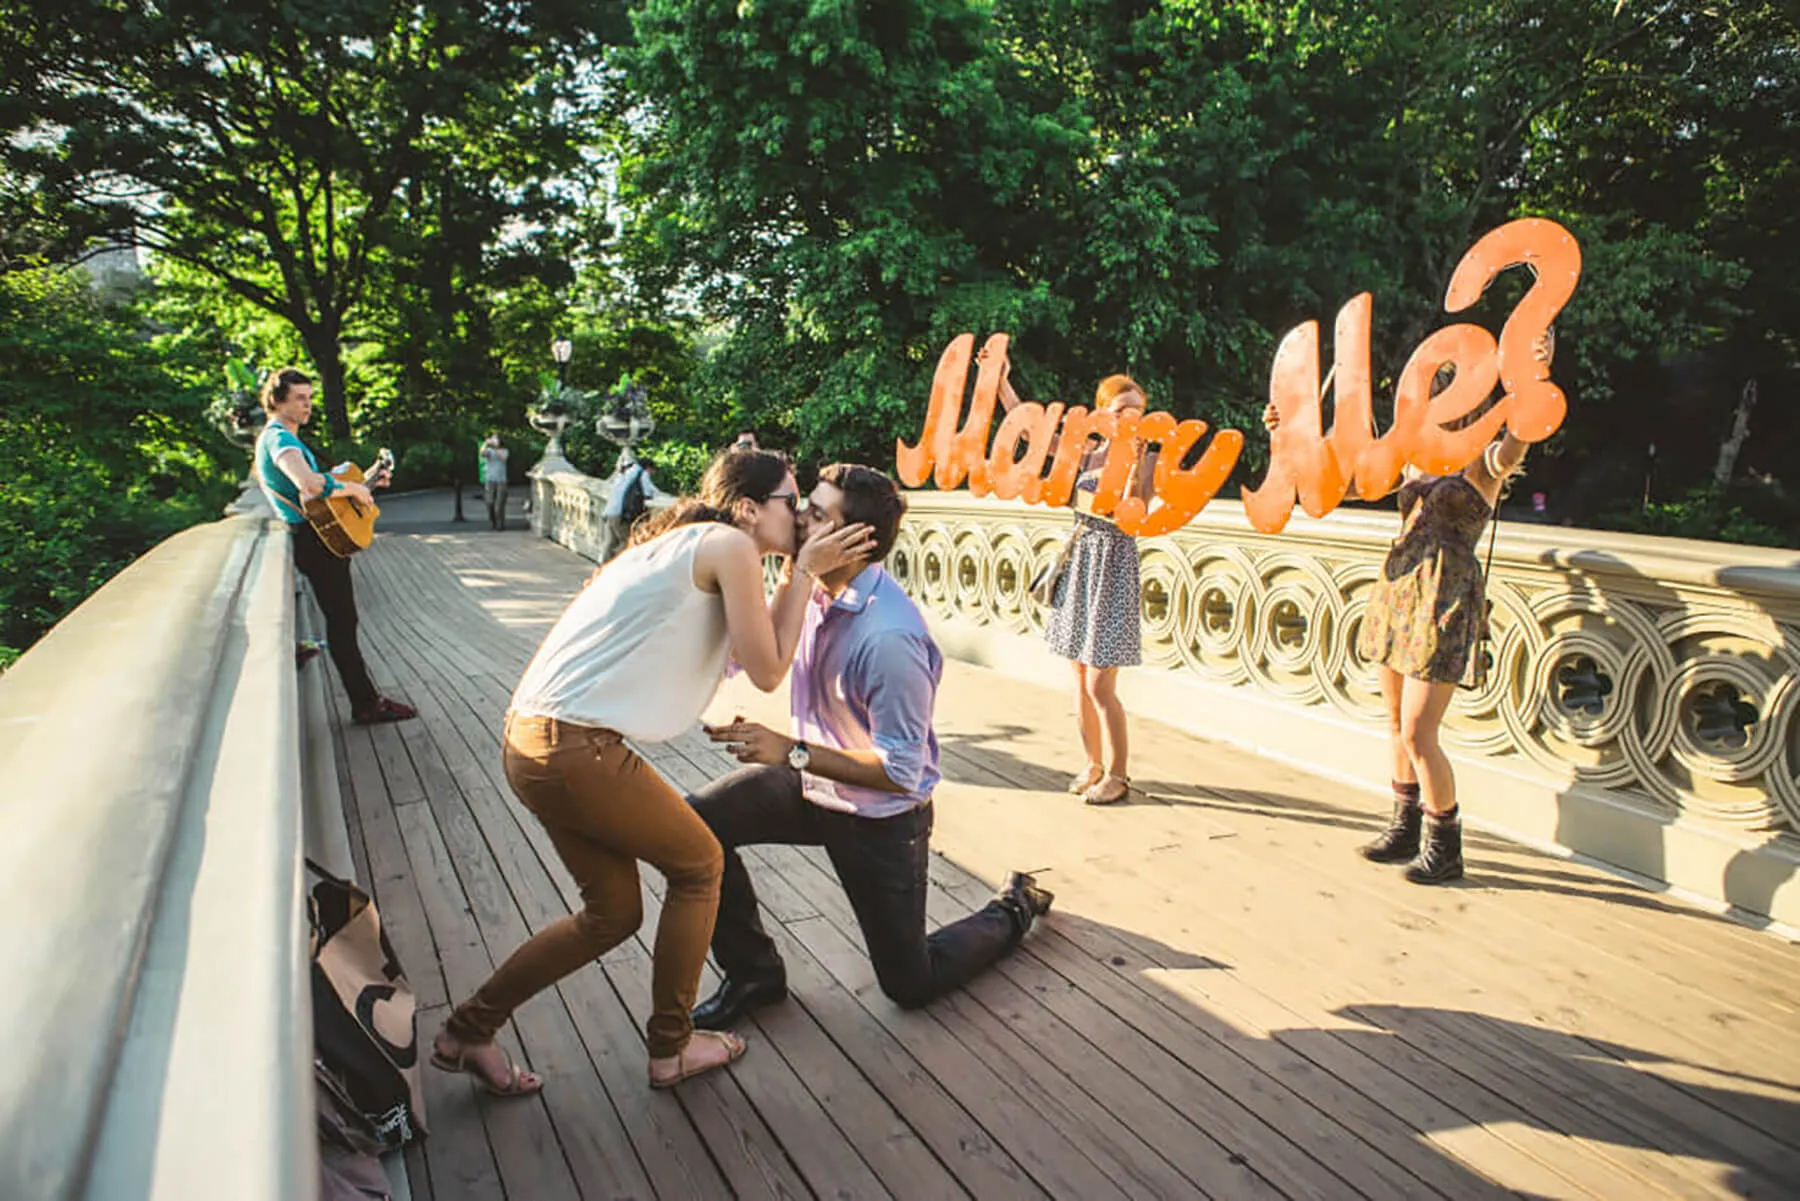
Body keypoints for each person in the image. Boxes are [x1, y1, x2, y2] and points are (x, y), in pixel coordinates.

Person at [431, 449, 875, 1094]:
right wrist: (803, 570)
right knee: (700, 863)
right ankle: (671, 1047)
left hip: (534, 741)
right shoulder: (729, 545)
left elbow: (763, 651)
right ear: (750, 509)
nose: (801, 513)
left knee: (611, 914)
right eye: (791, 500)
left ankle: (468, 1030)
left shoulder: (679, 545)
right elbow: (771, 670)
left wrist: (795, 572)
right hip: (575, 748)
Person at [687, 463, 1055, 1031]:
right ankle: (754, 973)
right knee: (697, 827)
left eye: (816, 512)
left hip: (878, 815)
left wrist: (790, 751)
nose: (797, 516)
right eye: (801, 503)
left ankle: (1013, 908)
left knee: (911, 983)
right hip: (813, 785)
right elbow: (745, 650)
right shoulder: (808, 588)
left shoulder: (889, 638)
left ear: (856, 541)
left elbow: (902, 772)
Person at [1261, 343, 1540, 885]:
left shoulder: (1484, 464)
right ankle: (1404, 827)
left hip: (1446, 596)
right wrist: (1286, 428)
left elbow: (1520, 438)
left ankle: (1445, 843)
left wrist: (1532, 372)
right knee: (1395, 725)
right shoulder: (1411, 457)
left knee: (1418, 730)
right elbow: (1334, 480)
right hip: (1398, 590)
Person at [254, 368, 416, 726]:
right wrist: (353, 489)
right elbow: (310, 485)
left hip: (317, 536)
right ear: (277, 401)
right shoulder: (280, 439)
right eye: (299, 398)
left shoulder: (288, 437)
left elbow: (327, 500)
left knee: (344, 619)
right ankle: (366, 703)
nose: (307, 405)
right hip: (313, 542)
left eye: (309, 397)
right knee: (342, 621)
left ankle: (365, 699)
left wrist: (367, 483)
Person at [1042, 374, 1156, 806]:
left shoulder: (1147, 459)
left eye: (1138, 412)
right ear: (1103, 413)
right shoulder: (1086, 452)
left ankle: (1119, 773)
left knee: (1099, 685)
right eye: (1121, 410)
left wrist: (1131, 468)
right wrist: (1001, 382)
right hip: (1080, 559)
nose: (1130, 419)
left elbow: (1135, 515)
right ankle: (1092, 762)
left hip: (1113, 564)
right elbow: (1034, 438)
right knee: (1077, 674)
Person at [596, 448, 662, 563]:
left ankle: (604, 565)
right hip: (621, 513)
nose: (652, 473)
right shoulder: (642, 473)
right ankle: (619, 564)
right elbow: (648, 491)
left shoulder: (625, 473)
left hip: (609, 511)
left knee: (610, 542)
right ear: (648, 468)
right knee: (626, 540)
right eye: (652, 470)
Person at [479, 434, 510, 530]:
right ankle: (493, 521)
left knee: (500, 503)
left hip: (501, 480)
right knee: (489, 501)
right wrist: (486, 443)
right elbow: (482, 453)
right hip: (490, 479)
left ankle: (500, 525)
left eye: (495, 439)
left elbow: (503, 458)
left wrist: (496, 448)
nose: (494, 441)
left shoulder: (505, 450)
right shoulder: (489, 451)